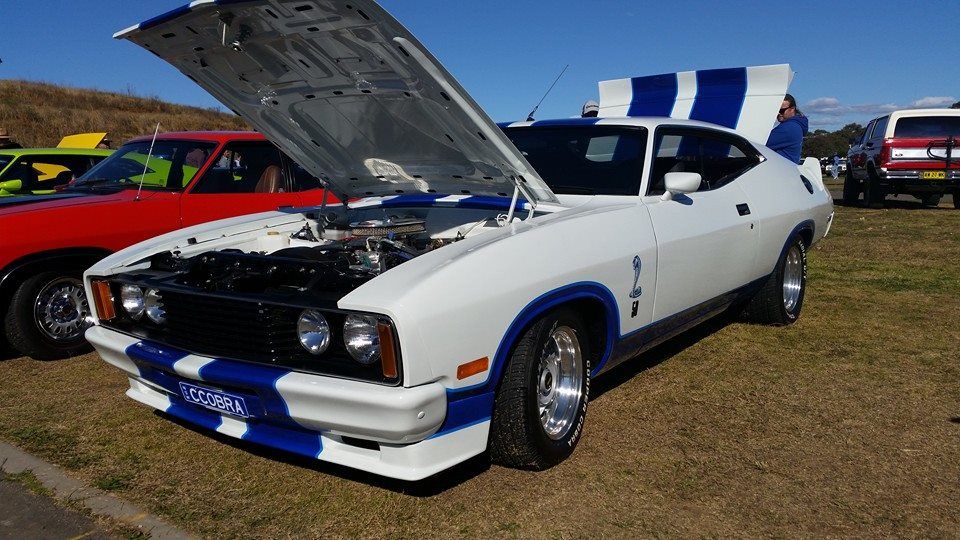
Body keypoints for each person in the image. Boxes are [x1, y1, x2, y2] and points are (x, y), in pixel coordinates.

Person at [765, 94, 808, 164]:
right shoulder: (796, 125)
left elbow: (759, 144)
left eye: (781, 110)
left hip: (778, 168)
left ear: (792, 109)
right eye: (776, 110)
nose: (778, 113)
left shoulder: (789, 128)